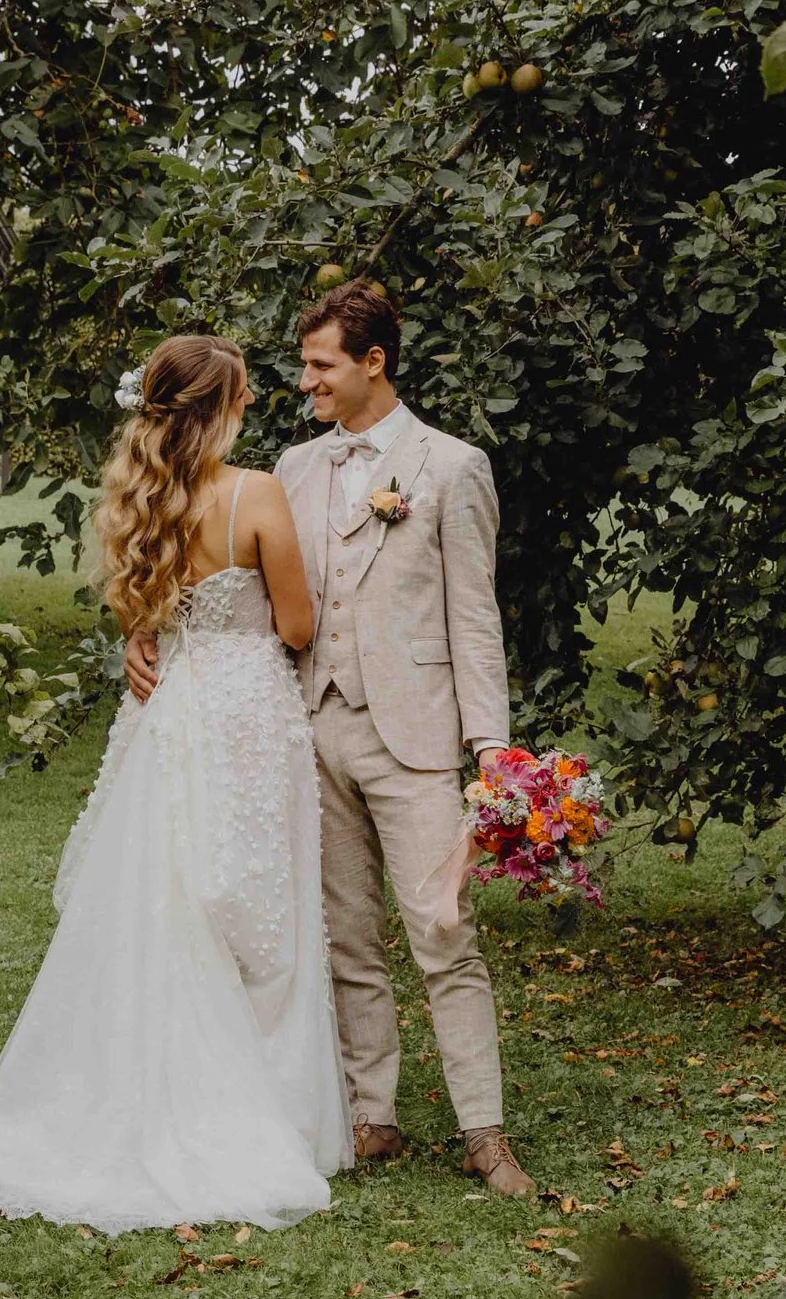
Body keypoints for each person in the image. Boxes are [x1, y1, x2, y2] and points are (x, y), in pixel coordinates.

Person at [0, 335, 351, 1232]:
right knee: (257, 899)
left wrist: (153, 636)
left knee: (169, 894)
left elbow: (142, 615)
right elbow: (297, 621)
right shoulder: (256, 493)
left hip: (170, 711)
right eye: (242, 394)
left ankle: (147, 1084)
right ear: (223, 405)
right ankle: (263, 1107)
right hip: (245, 709)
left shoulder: (139, 497)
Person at [126, 282, 534, 1198]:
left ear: (372, 363)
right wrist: (146, 629)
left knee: (444, 931)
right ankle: (371, 1114)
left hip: (417, 738)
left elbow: (475, 620)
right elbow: (230, 581)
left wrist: (492, 752)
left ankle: (484, 1130)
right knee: (345, 934)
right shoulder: (294, 468)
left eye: (319, 365)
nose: (304, 380)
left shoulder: (452, 466)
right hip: (307, 731)